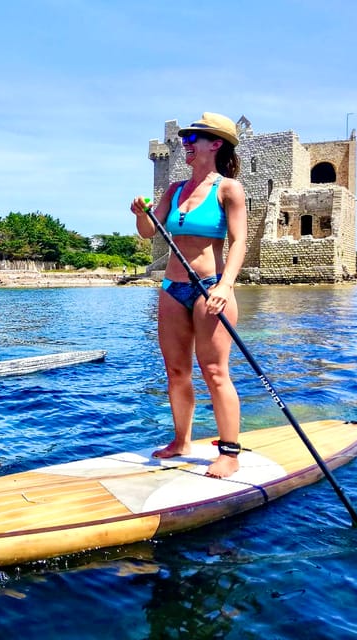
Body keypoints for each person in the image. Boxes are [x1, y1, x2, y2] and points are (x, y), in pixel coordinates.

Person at [130, 112, 247, 478]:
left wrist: (226, 286)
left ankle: (229, 452)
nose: (186, 144)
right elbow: (150, 232)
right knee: (176, 371)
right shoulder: (174, 189)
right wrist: (139, 213)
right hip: (171, 288)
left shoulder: (228, 188)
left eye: (193, 138)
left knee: (214, 371)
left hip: (210, 288)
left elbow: (239, 240)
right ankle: (182, 441)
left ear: (215, 144)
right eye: (185, 139)